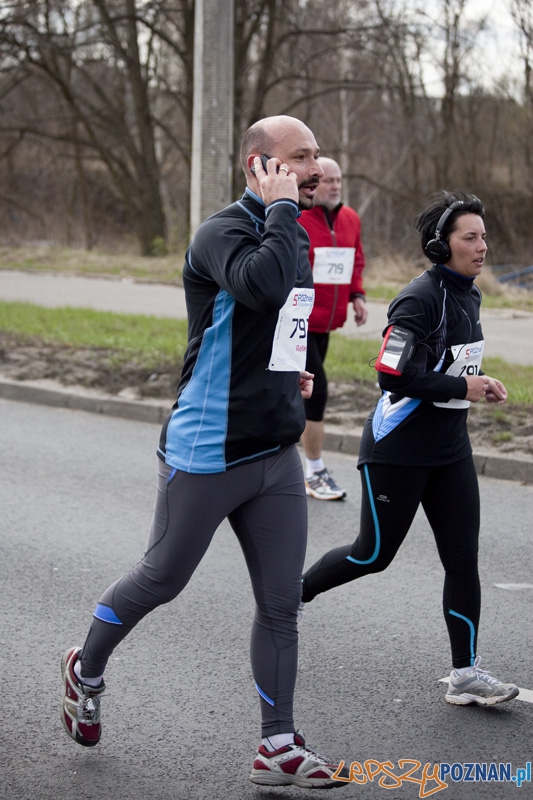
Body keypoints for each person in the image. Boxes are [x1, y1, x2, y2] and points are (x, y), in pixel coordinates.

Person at [60, 115, 350, 789]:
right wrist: (281, 209)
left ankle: (276, 743)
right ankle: (86, 667)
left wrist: (289, 375)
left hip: (274, 449)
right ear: (260, 165)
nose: (314, 168)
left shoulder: (288, 227)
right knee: (161, 578)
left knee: (280, 604)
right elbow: (264, 286)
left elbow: (282, 317)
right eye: (299, 157)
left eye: (315, 157)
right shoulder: (223, 230)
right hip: (207, 448)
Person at [300, 190, 519, 706]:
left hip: (449, 451)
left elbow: (447, 366)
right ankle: (287, 599)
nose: (482, 246)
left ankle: (464, 673)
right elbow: (390, 373)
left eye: (484, 236)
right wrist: (459, 387)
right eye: (471, 237)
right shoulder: (419, 298)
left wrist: (476, 381)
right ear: (441, 247)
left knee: (463, 560)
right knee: (372, 555)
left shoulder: (469, 292)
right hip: (397, 451)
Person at [298, 157, 368, 500]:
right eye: (327, 180)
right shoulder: (298, 217)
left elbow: (355, 259)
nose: (335, 185)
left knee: (295, 393)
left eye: (339, 180)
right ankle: (314, 471)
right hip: (299, 321)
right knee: (317, 390)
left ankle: (272, 461)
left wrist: (357, 295)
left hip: (327, 320)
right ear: (313, 183)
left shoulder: (350, 218)